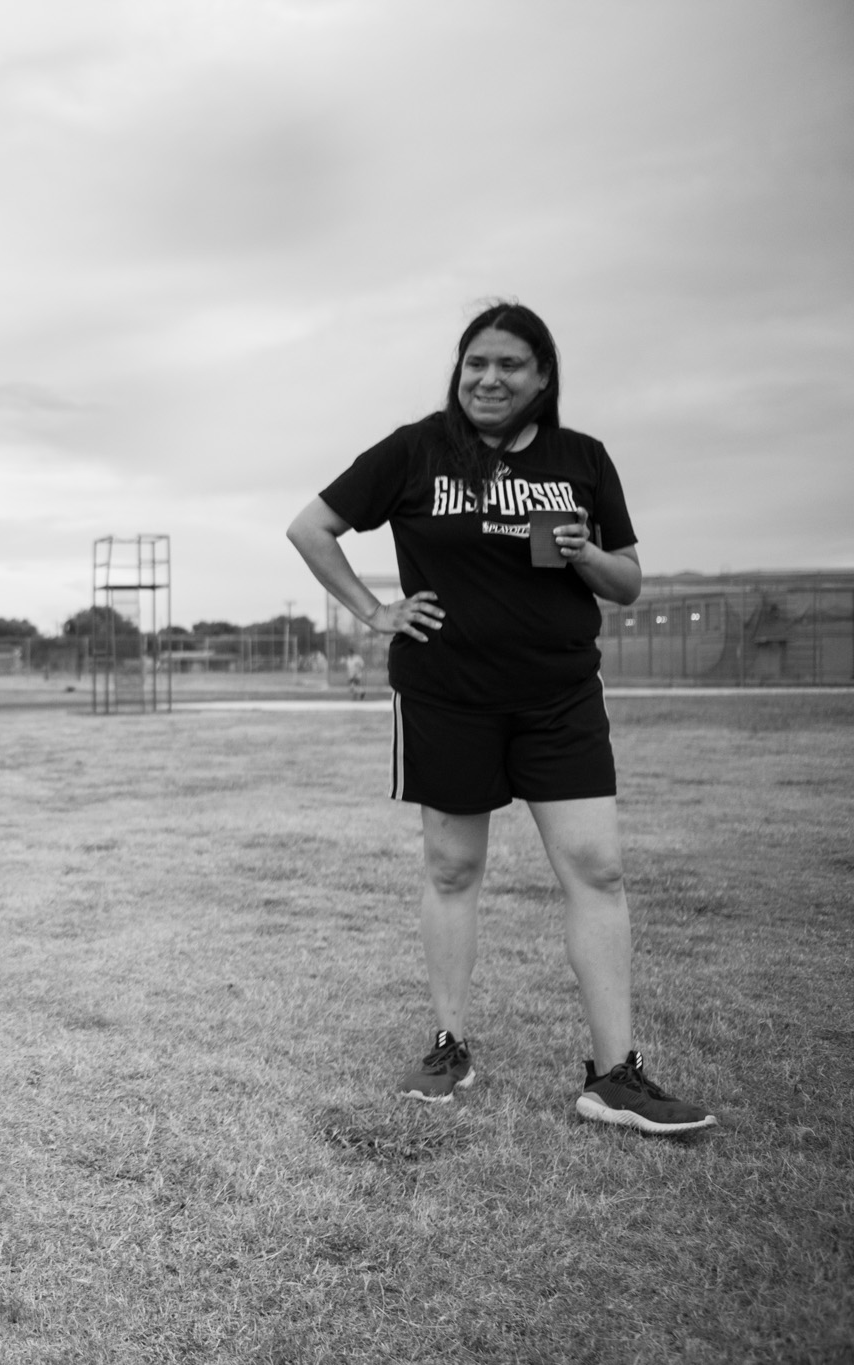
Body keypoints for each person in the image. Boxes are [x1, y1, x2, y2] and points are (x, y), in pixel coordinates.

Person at [285, 301, 714, 1136]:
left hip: (559, 697)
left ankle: (613, 1076)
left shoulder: (581, 459)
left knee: (597, 869)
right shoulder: (416, 450)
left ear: (542, 376)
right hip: (447, 695)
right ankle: (449, 1044)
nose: (489, 377)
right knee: (452, 869)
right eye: (475, 361)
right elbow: (312, 527)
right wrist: (375, 613)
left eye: (510, 364)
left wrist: (583, 550)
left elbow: (628, 582)